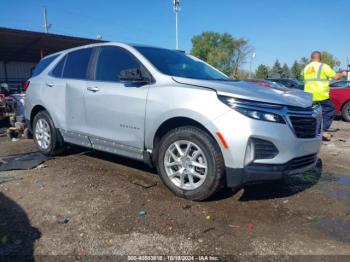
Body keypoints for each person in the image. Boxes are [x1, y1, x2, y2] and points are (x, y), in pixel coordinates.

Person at [302, 51, 348, 140]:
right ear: (320, 58)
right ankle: (322, 130)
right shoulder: (323, 66)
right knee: (330, 110)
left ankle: (312, 130)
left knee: (314, 113)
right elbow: (335, 77)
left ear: (311, 58)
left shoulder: (306, 68)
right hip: (320, 95)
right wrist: (343, 74)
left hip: (308, 95)